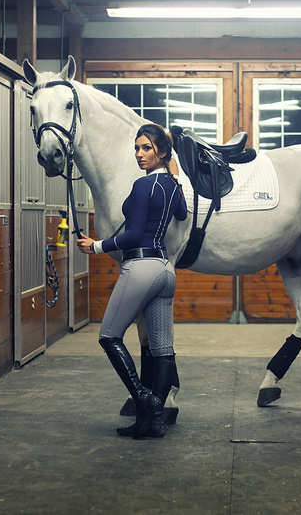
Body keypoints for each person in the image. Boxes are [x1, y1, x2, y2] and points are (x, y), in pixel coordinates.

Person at [77, 123, 187, 439]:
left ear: (162, 152)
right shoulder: (172, 186)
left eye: (147, 148)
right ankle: (153, 422)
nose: (139, 154)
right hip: (165, 270)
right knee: (162, 349)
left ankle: (143, 396)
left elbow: (135, 234)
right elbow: (180, 214)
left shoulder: (143, 186)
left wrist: (97, 246)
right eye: (137, 148)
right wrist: (175, 174)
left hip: (140, 267)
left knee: (109, 336)